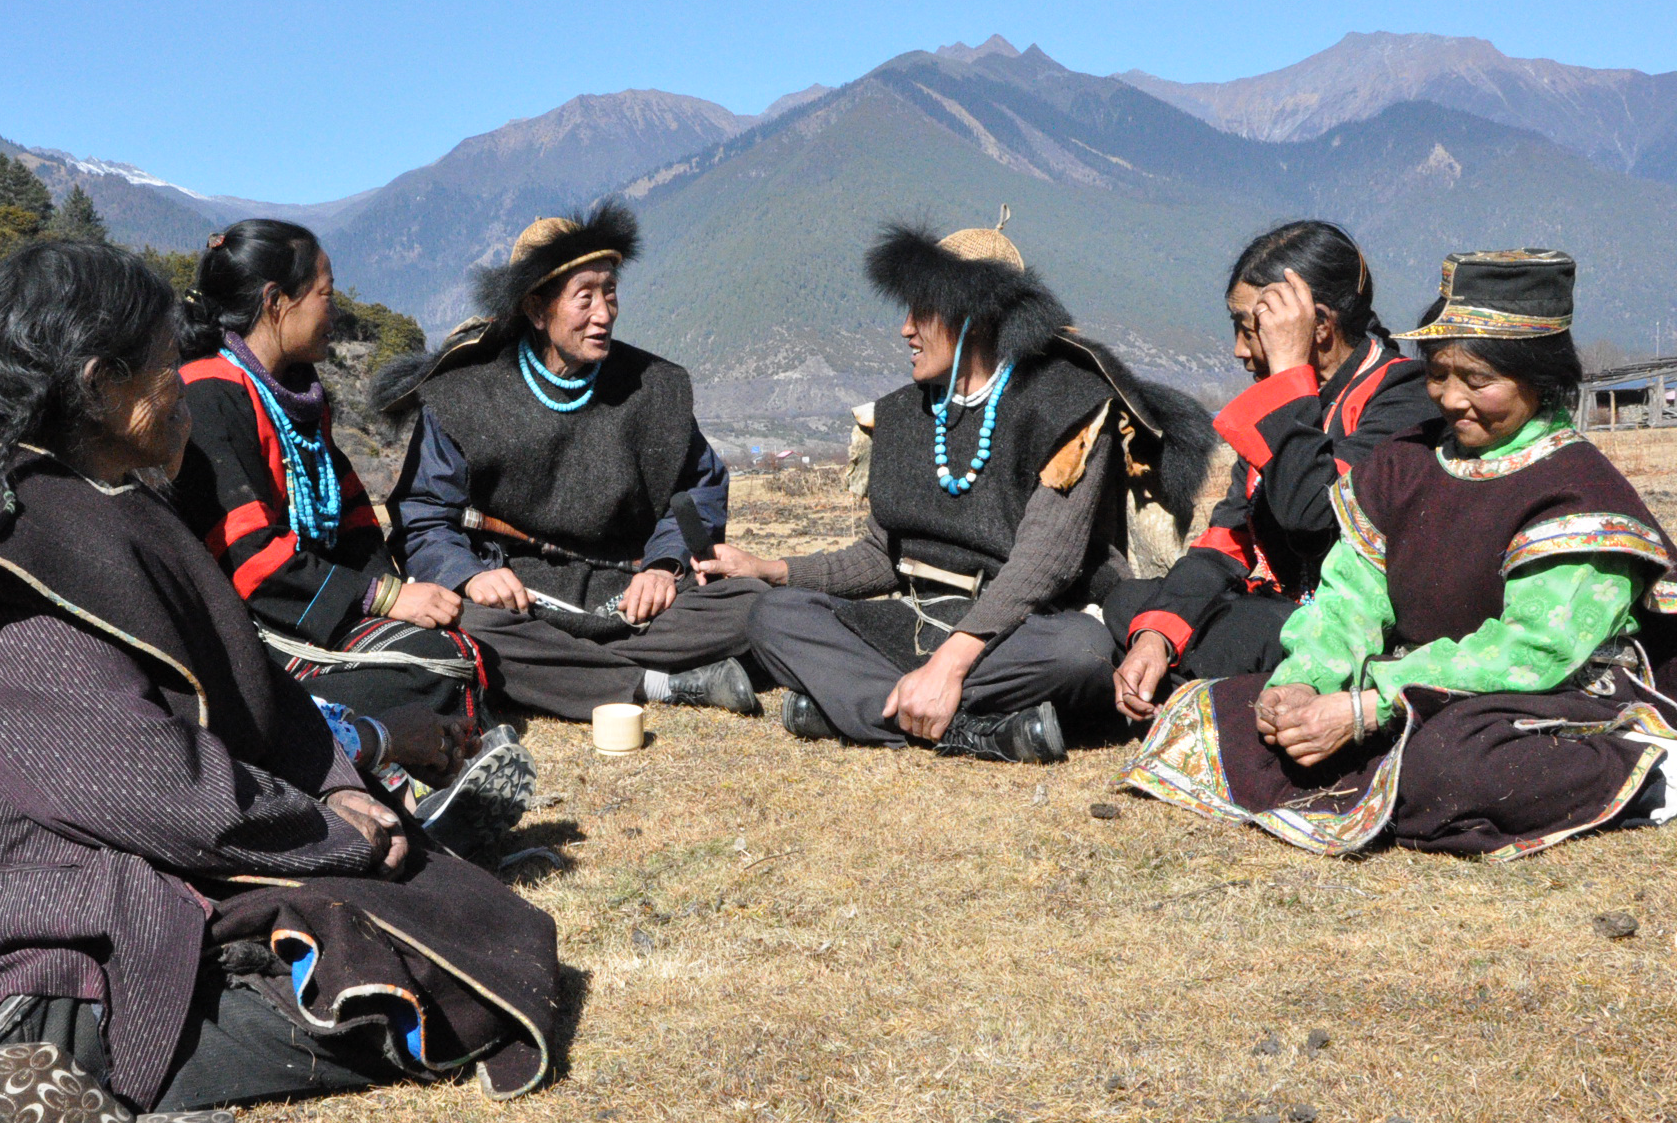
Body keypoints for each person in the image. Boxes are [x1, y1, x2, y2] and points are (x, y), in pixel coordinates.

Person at [0, 243, 560, 1123]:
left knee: (443, 907)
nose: (183, 380)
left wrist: (339, 785)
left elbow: (247, 689)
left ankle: (89, 1029)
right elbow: (139, 780)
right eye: (161, 360)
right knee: (415, 974)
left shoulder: (95, 501)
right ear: (101, 385)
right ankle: (60, 1050)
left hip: (93, 833)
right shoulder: (1, 548)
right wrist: (328, 833)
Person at [1123, 249, 1677, 859]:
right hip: (1411, 685)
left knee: (1449, 767)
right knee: (1229, 713)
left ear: (1539, 379)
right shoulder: (1404, 463)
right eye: (1438, 374)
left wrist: (1368, 706)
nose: (1451, 399)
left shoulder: (1577, 492)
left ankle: (1642, 772)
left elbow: (1533, 652)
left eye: (1478, 381)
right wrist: (1305, 680)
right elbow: (1350, 596)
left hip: (1544, 696)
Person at [701, 214, 1212, 761]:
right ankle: (977, 731)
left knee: (1081, 652)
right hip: (921, 620)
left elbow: (1045, 562)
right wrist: (770, 569)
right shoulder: (901, 415)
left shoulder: (1067, 406)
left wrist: (949, 664)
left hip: (1023, 628)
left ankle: (858, 706)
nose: (906, 329)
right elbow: (881, 556)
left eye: (922, 311)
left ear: (974, 315)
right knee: (774, 616)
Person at [168, 218, 530, 848]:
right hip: (257, 633)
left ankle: (414, 756)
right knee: (438, 661)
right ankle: (397, 772)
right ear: (276, 302)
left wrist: (398, 596)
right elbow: (252, 562)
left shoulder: (297, 395)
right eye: (325, 295)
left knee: (454, 639)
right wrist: (386, 600)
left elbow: (353, 518)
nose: (333, 311)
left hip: (317, 611)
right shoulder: (209, 392)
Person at [374, 202, 765, 721]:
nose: (604, 313)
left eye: (610, 292)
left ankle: (570, 674)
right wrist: (468, 576)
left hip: (631, 592)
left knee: (751, 603)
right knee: (464, 622)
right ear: (537, 310)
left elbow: (697, 489)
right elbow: (423, 515)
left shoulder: (656, 387)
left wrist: (664, 566)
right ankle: (661, 682)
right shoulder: (464, 396)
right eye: (585, 297)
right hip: (521, 601)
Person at [1107, 222, 1427, 720]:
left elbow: (1310, 515)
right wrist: (1156, 635)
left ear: (1316, 326)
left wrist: (1288, 376)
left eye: (1250, 327)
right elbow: (1226, 540)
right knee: (1133, 603)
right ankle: (1185, 680)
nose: (1239, 349)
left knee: (1250, 631)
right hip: (1282, 610)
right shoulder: (1286, 402)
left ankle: (1200, 692)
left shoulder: (1401, 397)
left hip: (1354, 626)